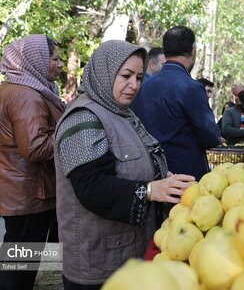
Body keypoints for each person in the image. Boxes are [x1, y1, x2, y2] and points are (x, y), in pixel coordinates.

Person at [54, 40, 194, 289]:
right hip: (98, 265)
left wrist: (163, 177)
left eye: (139, 77)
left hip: (125, 254)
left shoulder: (120, 112)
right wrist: (152, 190)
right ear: (105, 72)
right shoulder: (84, 118)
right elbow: (91, 186)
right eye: (126, 76)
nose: (135, 85)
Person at [0, 34, 64, 290]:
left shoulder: (12, 87)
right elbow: (35, 148)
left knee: (18, 257)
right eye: (55, 58)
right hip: (29, 193)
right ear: (36, 61)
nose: (59, 64)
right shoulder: (27, 96)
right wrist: (66, 132)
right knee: (20, 263)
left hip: (20, 189)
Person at [132, 26, 220, 184]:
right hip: (184, 180)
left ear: (166, 53)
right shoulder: (191, 88)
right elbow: (211, 138)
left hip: (150, 176)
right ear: (193, 51)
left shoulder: (142, 88)